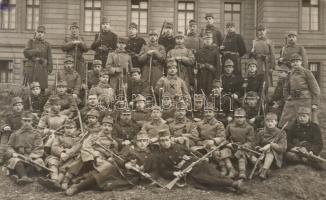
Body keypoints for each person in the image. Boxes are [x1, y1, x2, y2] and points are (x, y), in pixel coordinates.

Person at [154, 129, 244, 192]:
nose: (164, 143)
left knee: (214, 173)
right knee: (206, 179)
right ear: (159, 142)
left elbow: (191, 152)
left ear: (170, 139)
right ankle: (233, 184)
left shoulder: (179, 146)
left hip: (196, 162)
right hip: (187, 171)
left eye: (166, 140)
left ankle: (232, 183)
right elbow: (163, 171)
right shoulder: (159, 155)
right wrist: (175, 173)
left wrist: (202, 157)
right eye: (162, 141)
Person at [279, 53, 320, 128]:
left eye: (297, 61)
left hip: (305, 100)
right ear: (291, 64)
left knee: (306, 120)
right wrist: (287, 98)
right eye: (293, 62)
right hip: (292, 100)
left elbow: (315, 88)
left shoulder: (307, 72)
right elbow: (286, 88)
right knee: (286, 120)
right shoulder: (290, 74)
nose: (295, 63)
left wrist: (315, 103)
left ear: (301, 62)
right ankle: (289, 136)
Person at [6, 112, 44, 185]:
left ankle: (18, 175)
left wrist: (32, 156)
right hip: (19, 156)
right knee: (16, 161)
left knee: (38, 162)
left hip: (31, 157)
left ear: (32, 122)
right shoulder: (15, 133)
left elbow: (39, 147)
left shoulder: (36, 134)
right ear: (21, 121)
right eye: (25, 121)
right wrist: (13, 153)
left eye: (29, 121)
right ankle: (24, 177)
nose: (26, 123)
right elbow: (9, 146)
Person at [254, 112, 287, 179]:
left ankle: (264, 171)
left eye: (272, 121)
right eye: (267, 121)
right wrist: (259, 148)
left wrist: (271, 145)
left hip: (275, 157)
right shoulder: (261, 132)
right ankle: (261, 168)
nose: (269, 123)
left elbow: (283, 148)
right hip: (261, 154)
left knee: (270, 150)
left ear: (276, 122)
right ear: (265, 122)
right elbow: (254, 144)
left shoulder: (281, 133)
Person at [225, 108, 255, 179]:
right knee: (224, 152)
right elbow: (224, 137)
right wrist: (227, 143)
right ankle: (231, 170)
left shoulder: (249, 128)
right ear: (234, 118)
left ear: (245, 118)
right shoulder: (230, 126)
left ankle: (242, 172)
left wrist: (244, 145)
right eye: (237, 117)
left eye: (241, 117)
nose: (239, 119)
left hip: (243, 147)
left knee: (241, 153)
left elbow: (250, 141)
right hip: (232, 146)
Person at [23, 25, 53, 93]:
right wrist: (36, 50)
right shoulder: (30, 42)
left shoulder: (47, 44)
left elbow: (49, 57)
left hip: (42, 68)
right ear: (36, 33)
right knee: (31, 88)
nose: (40, 33)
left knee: (41, 88)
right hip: (32, 68)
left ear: (44, 34)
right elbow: (25, 53)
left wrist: (49, 68)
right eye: (38, 32)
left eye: (42, 32)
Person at [0, 97, 26, 164]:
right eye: (16, 105)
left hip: (24, 134)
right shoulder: (9, 115)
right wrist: (5, 126)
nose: (18, 107)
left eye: (20, 105)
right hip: (11, 134)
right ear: (13, 107)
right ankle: (1, 156)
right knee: (5, 135)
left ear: (22, 106)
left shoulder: (27, 114)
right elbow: (2, 122)